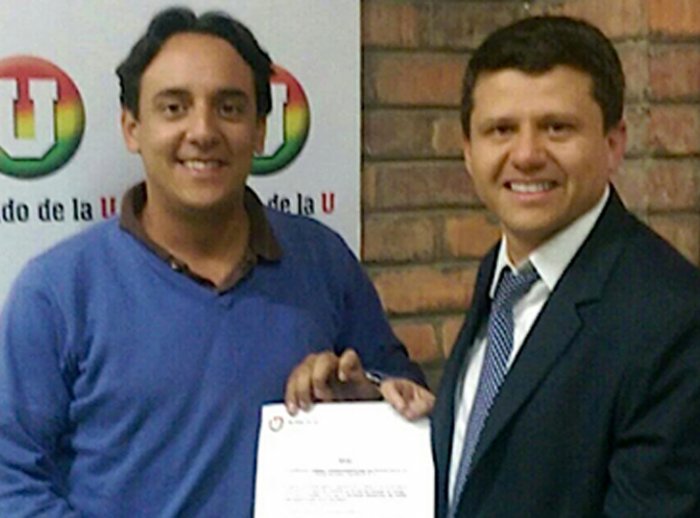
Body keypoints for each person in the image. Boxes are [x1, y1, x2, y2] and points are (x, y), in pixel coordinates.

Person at [0, 7, 433, 517]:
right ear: (132, 128)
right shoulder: (57, 291)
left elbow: (407, 398)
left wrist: (369, 395)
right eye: (174, 107)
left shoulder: (323, 260)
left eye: (229, 108)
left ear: (260, 130)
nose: (203, 131)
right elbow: (10, 480)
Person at [431, 15, 700, 517]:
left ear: (613, 144)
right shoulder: (503, 276)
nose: (526, 155)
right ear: (468, 151)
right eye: (501, 130)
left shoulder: (674, 319)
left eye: (557, 128)